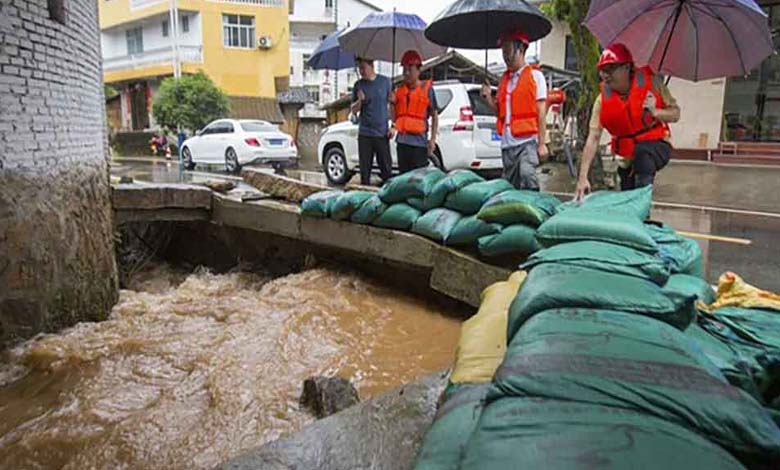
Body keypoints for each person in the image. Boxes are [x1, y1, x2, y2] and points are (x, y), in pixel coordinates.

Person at [575, 43, 680, 200]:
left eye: (611, 69)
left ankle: (643, 205)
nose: (606, 75)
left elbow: (675, 114)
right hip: (627, 157)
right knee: (626, 192)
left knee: (643, 154)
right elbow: (593, 138)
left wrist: (655, 112)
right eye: (603, 71)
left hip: (656, 146)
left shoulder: (652, 84)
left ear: (626, 67)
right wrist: (582, 178)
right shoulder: (602, 100)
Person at [481, 29, 548, 190]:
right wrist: (488, 98)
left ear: (521, 49)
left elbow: (541, 113)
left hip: (527, 142)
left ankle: (534, 207)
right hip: (507, 144)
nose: (506, 57)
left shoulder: (535, 77)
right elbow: (500, 113)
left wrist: (542, 143)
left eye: (509, 51)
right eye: (503, 52)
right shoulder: (505, 81)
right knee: (510, 186)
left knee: (527, 174)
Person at [392, 50, 439, 174]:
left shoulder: (427, 90)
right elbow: (395, 118)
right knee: (404, 179)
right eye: (404, 70)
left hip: (419, 144)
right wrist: (391, 103)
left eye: (410, 70)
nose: (406, 73)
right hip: (402, 143)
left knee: (418, 179)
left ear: (418, 70)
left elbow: (434, 115)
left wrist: (432, 140)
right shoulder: (399, 92)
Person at [350, 57, 393, 185]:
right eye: (359, 68)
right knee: (365, 170)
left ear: (371, 65)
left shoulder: (385, 82)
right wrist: (360, 101)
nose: (361, 71)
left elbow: (392, 105)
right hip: (365, 134)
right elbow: (353, 110)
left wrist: (393, 125)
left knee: (386, 169)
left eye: (363, 67)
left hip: (381, 133)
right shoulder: (358, 85)